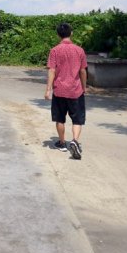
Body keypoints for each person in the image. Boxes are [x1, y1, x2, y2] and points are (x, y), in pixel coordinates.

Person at [44, 22, 87, 159]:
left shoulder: (55, 50)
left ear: (58, 34)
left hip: (59, 90)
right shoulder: (79, 50)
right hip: (76, 91)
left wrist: (48, 89)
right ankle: (74, 141)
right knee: (77, 119)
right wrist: (84, 86)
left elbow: (52, 70)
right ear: (71, 33)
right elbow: (82, 71)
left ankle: (62, 143)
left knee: (60, 118)